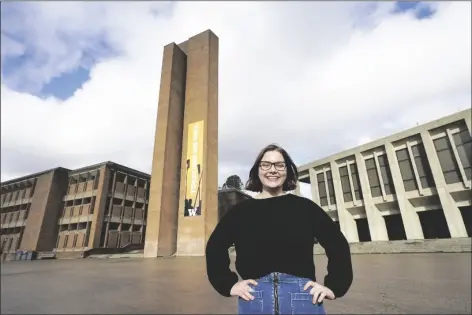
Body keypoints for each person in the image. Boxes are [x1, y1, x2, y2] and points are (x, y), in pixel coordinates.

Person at [205, 144, 353, 315]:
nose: (272, 170)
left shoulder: (305, 208)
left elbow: (337, 244)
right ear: (257, 170)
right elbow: (215, 247)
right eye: (266, 164)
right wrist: (227, 284)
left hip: (303, 298)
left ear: (287, 170)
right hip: (255, 298)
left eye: (279, 165)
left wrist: (334, 286)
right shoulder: (240, 212)